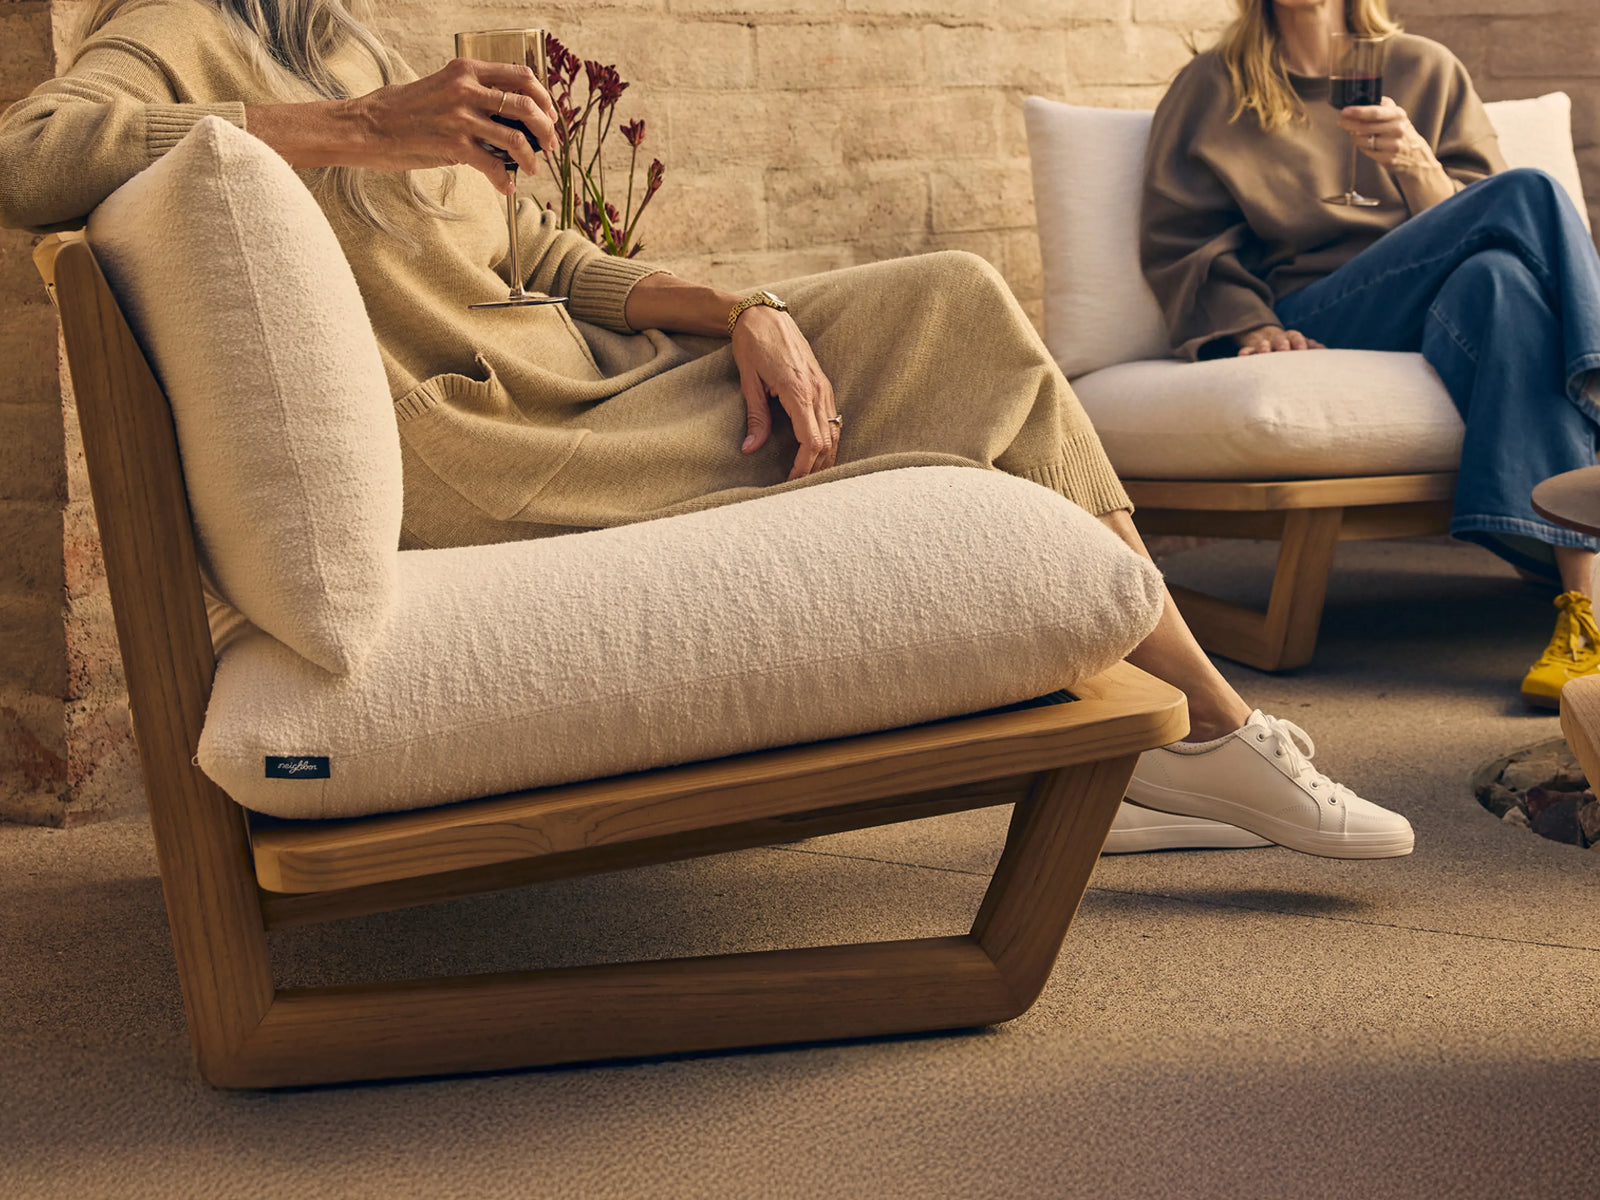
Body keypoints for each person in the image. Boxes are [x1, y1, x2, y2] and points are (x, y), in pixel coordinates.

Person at [0, 0, 1414, 858]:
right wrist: (361, 128)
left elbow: (538, 257)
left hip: (589, 373)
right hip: (492, 441)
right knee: (947, 384)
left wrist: (742, 309)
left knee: (953, 300)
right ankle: (1216, 728)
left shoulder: (341, 40)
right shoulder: (171, 35)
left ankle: (1184, 735)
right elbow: (24, 154)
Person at [1142, 0, 1600, 710]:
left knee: (1503, 282)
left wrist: (1417, 167)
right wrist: (1248, 324)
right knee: (1532, 190)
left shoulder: (1424, 67)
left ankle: (1585, 615)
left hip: (1442, 300)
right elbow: (1181, 238)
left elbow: (1492, 227)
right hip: (1323, 308)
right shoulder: (1212, 85)